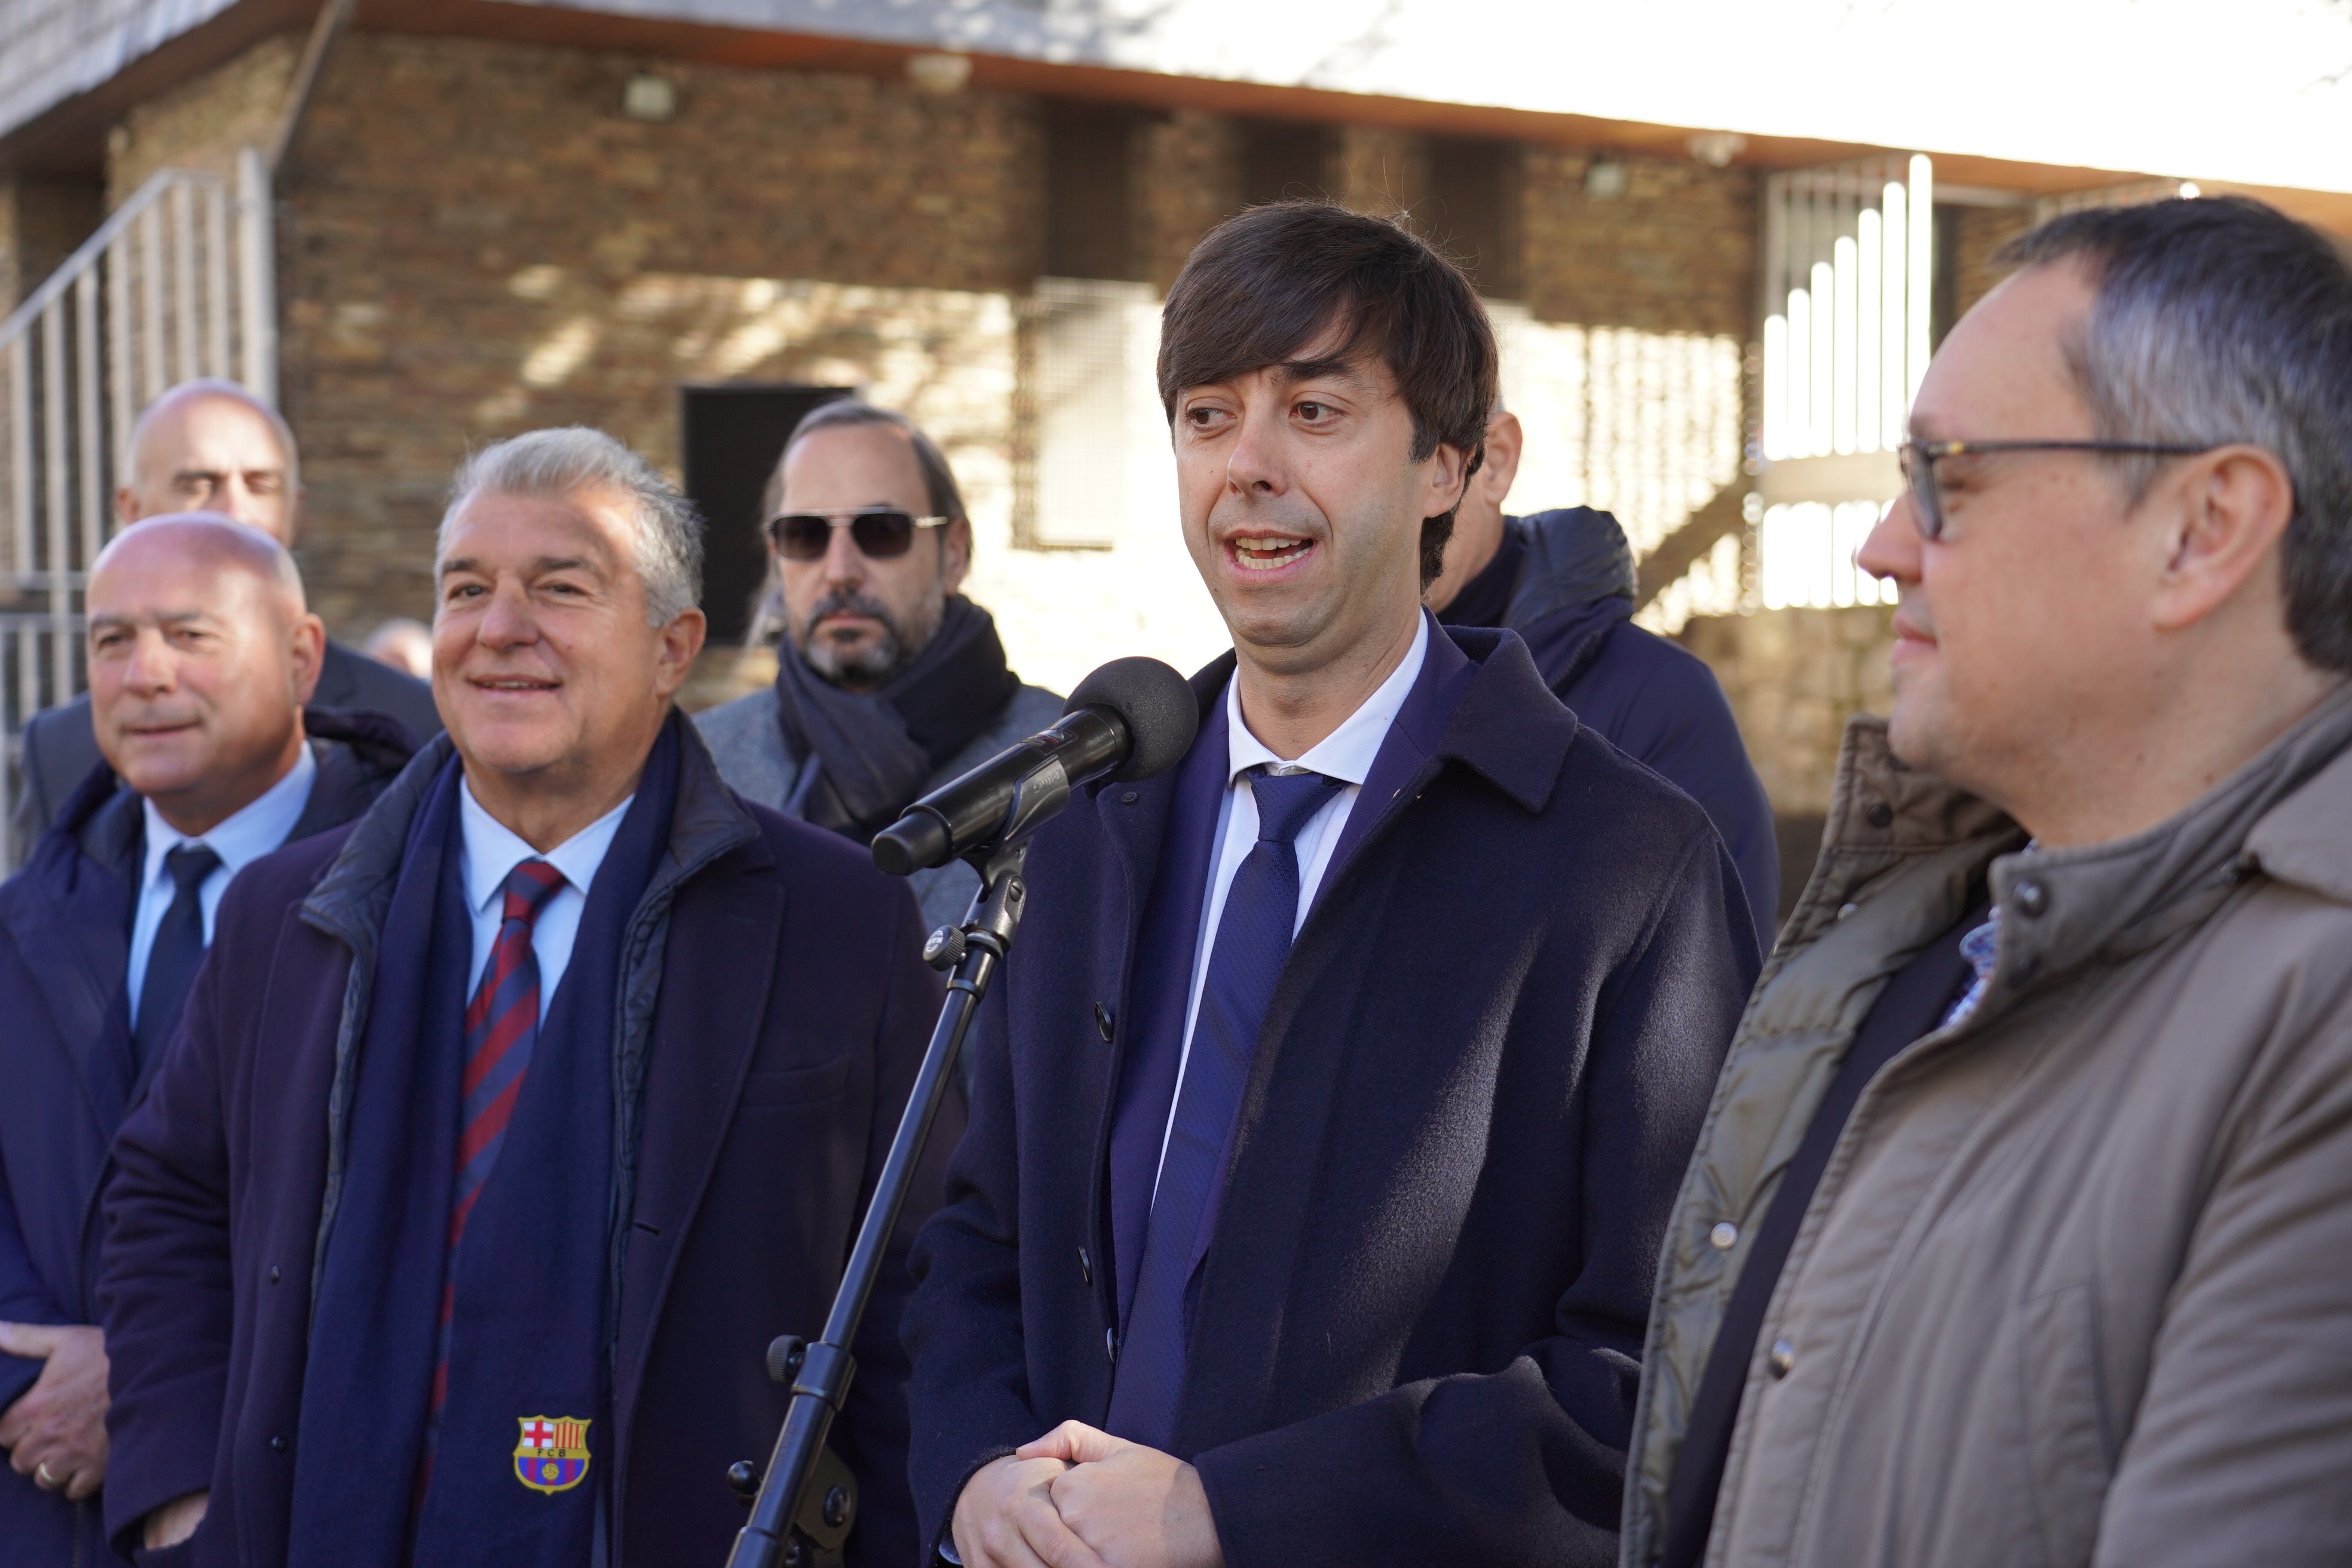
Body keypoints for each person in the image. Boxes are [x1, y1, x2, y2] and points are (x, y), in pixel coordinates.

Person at [904, 201, 1759, 1568]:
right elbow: (980, 1245)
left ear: (1450, 468)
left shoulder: (1625, 865)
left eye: (1313, 410)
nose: (1246, 466)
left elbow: (1659, 1370)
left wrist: (1230, 1517)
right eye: (1205, 414)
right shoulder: (1081, 830)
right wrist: (970, 1473)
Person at [1622, 196, 2352, 1568]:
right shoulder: (1930, 937)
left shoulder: (2318, 1024)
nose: (1882, 542)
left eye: (1947, 475)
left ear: (2205, 525)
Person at [97, 429, 951, 1567]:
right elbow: (165, 1197)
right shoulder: (283, 915)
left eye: (560, 587)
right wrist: (187, 1490)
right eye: (467, 589)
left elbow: (916, 1284)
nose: (501, 627)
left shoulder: (837, 919)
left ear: (673, 646)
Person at [0, 516, 415, 1567]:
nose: (144, 674)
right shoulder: (21, 919)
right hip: (40, 1497)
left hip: (299, 1506)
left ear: (301, 656)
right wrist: (31, 1379)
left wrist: (148, 1390)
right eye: (111, 640)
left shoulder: (423, 909)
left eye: (189, 634)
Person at [11, 380, 442, 858]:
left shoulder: (419, 731)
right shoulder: (63, 753)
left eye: (261, 485)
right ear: (131, 509)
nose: (234, 512)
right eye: (198, 485)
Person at [697, 400, 1062, 932]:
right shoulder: (704, 766)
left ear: (953, 553)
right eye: (806, 534)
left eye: (881, 531)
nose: (840, 571)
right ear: (776, 555)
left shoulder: (1067, 762)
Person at [1425, 409, 1778, 946]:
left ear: (1491, 461)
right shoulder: (1280, 700)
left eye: (1423, 457)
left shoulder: (1656, 702)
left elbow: (1712, 991)